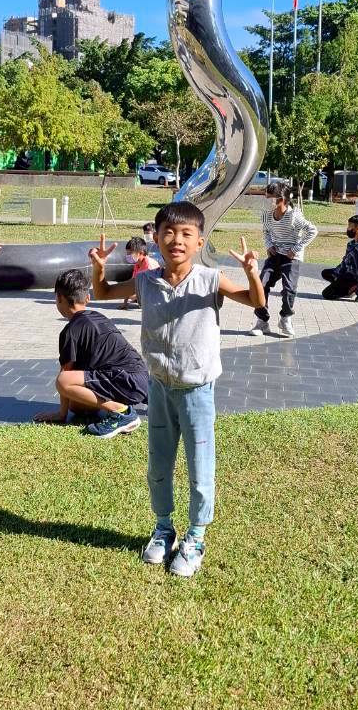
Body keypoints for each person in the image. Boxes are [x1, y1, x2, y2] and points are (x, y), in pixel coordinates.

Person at [90, 204, 264, 579]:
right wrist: (99, 268)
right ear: (156, 237)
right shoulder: (145, 281)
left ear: (200, 242)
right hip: (159, 388)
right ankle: (163, 529)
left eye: (186, 234)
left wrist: (253, 275)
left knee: (200, 468)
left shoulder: (210, 279)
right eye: (168, 232)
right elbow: (101, 292)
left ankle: (196, 536)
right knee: (159, 466)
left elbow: (256, 302)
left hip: (197, 391)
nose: (177, 240)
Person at [34, 268, 149, 433]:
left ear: (59, 298)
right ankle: (120, 404)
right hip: (141, 378)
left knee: (63, 381)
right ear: (87, 298)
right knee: (77, 405)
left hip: (126, 380)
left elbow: (65, 374)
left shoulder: (71, 331)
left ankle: (122, 413)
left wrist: (61, 414)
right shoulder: (99, 317)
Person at [249, 181, 318, 338]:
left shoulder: (294, 216)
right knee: (261, 284)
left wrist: (295, 249)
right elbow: (266, 231)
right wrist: (269, 245)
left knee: (289, 288)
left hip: (291, 257)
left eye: (270, 197)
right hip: (275, 255)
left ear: (282, 199)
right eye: (266, 197)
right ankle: (262, 321)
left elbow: (312, 231)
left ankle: (285, 318)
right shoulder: (267, 215)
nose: (267, 200)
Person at [321, 214, 358, 304]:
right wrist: (337, 273)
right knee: (326, 273)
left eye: (350, 226)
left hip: (355, 278)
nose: (347, 229)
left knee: (327, 294)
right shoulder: (352, 243)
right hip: (348, 273)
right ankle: (348, 288)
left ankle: (357, 288)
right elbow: (345, 262)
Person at [120, 236, 157, 310]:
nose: (128, 256)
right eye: (127, 253)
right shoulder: (137, 264)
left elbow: (153, 288)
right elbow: (131, 282)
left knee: (134, 294)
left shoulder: (149, 266)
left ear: (141, 253)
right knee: (126, 291)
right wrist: (125, 303)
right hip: (144, 290)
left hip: (154, 294)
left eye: (130, 253)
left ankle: (142, 301)